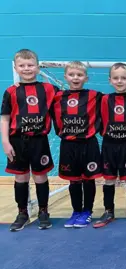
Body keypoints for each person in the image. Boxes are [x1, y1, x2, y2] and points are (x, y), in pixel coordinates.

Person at [1, 49, 57, 231]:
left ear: (38, 67)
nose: (27, 68)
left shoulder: (48, 89)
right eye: (22, 65)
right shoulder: (11, 91)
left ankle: (43, 211)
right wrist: (5, 142)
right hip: (17, 141)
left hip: (39, 140)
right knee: (21, 176)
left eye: (30, 65)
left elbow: (67, 98)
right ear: (16, 68)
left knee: (41, 176)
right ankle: (22, 212)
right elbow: (5, 118)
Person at [51, 61, 102, 228]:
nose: (75, 78)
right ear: (65, 77)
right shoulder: (57, 97)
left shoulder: (95, 96)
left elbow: (118, 99)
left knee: (88, 180)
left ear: (86, 78)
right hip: (68, 145)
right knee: (73, 181)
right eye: (72, 75)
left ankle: (87, 211)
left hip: (89, 144)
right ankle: (76, 211)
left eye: (79, 75)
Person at [93, 63, 126, 228]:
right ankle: (109, 210)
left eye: (124, 78)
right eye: (116, 78)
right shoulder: (103, 99)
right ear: (110, 80)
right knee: (108, 180)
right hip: (108, 145)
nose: (120, 81)